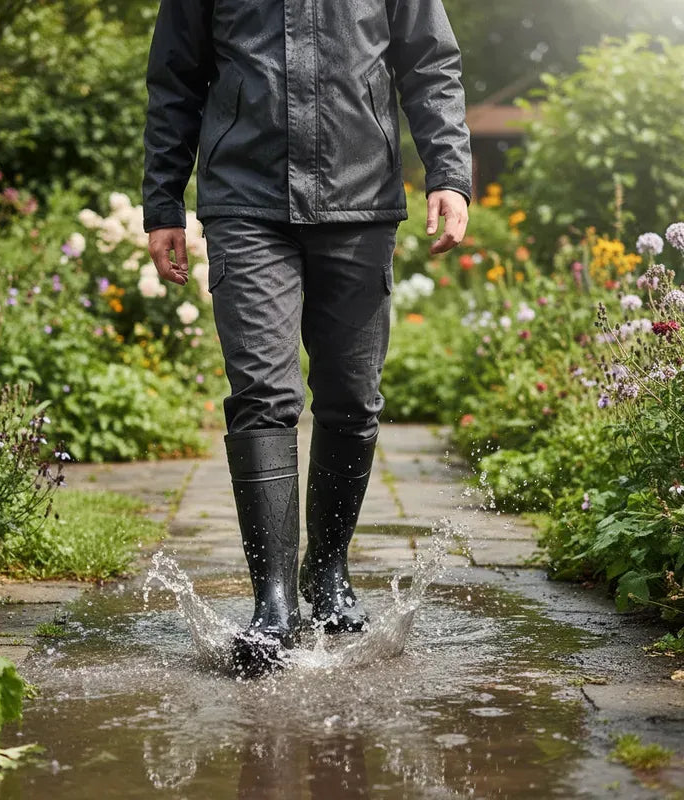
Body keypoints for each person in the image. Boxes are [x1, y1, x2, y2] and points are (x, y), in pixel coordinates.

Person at [143, 0, 471, 675]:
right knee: (262, 391)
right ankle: (272, 599)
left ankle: (327, 574)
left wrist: (449, 172)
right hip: (244, 199)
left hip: (361, 196)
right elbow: (175, 77)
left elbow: (430, 62)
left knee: (353, 398)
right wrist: (162, 201)